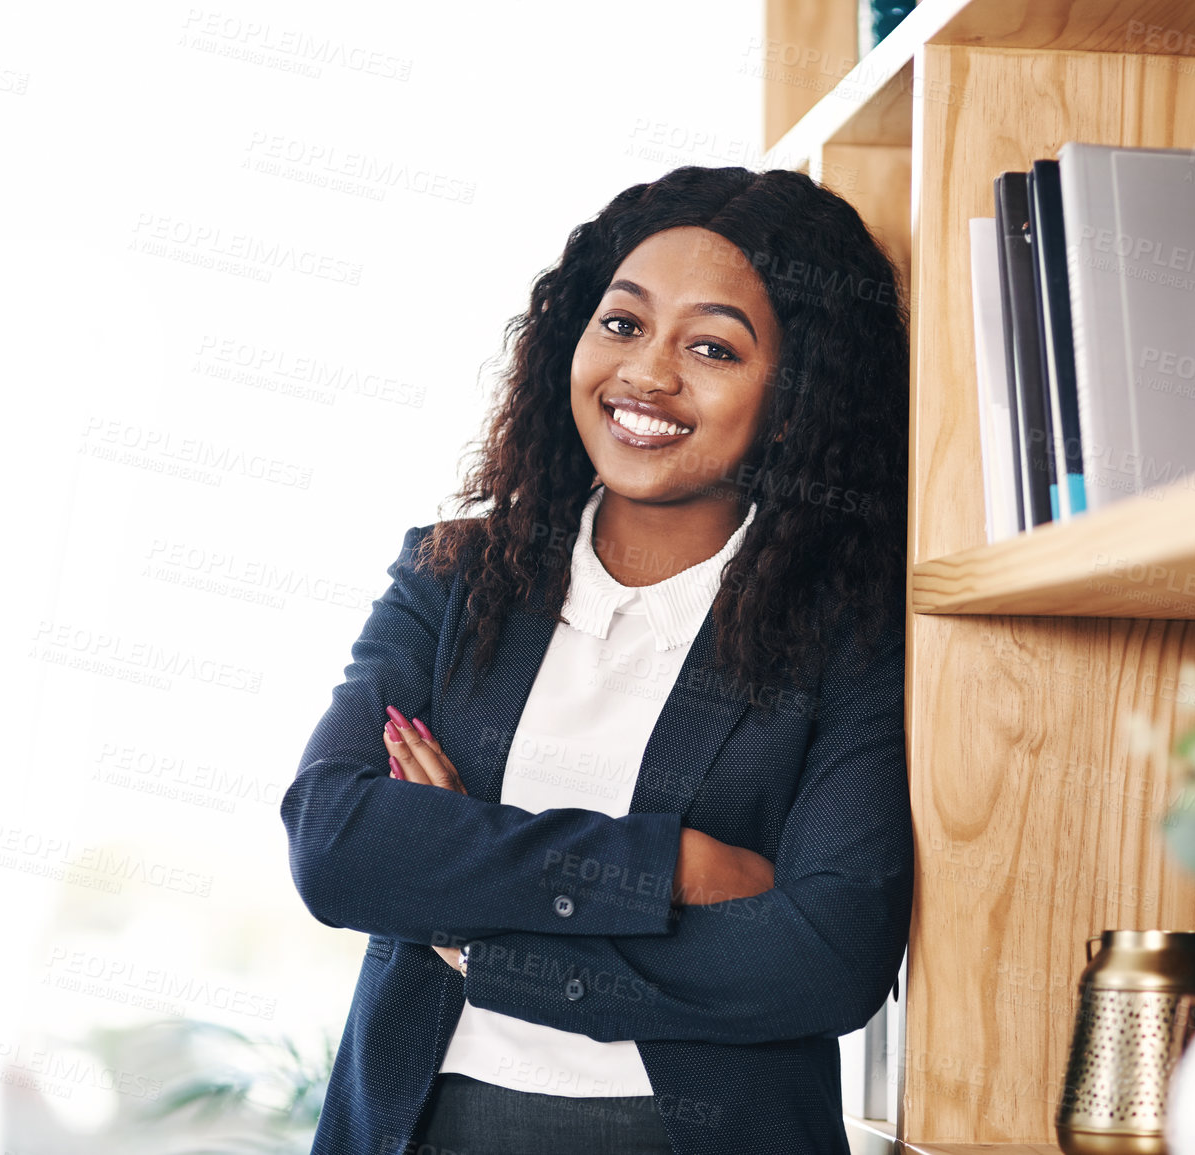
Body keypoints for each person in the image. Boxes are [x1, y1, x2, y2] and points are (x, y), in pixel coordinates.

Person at [280, 164, 912, 1155]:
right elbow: (336, 841)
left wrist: (479, 940)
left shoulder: (848, 638)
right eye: (622, 324)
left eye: (711, 347)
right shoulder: (452, 575)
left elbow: (827, 956)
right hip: (421, 1128)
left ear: (795, 402)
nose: (648, 375)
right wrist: (669, 867)